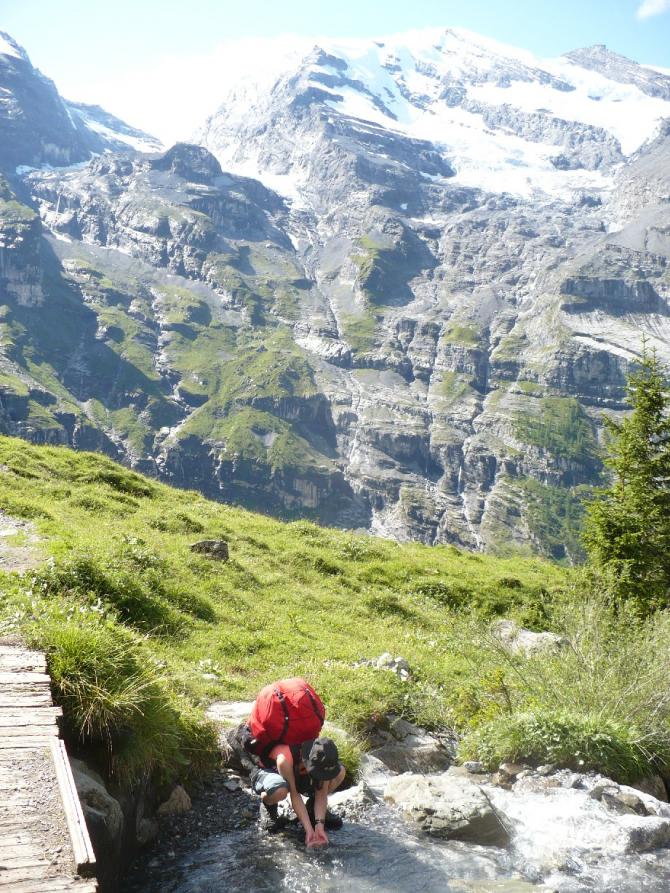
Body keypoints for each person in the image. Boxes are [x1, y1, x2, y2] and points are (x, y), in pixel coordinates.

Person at [251, 736, 345, 847]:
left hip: (300, 772)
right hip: (268, 772)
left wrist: (319, 827)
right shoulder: (285, 758)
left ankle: (312, 808)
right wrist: (309, 830)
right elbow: (294, 795)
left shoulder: (322, 755)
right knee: (280, 791)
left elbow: (321, 793)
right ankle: (268, 804)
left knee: (340, 771)